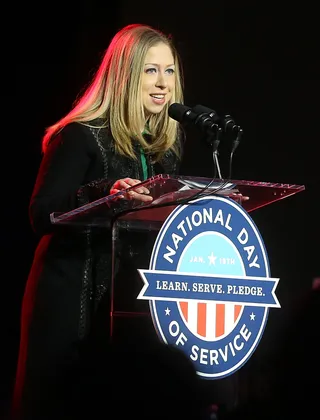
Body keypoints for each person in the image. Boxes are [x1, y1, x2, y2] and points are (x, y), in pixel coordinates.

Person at [10, 23, 186, 420]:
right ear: (125, 76)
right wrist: (105, 193)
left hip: (131, 300)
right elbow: (42, 213)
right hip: (74, 297)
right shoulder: (79, 136)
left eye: (170, 71)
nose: (163, 84)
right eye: (150, 70)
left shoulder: (166, 149)